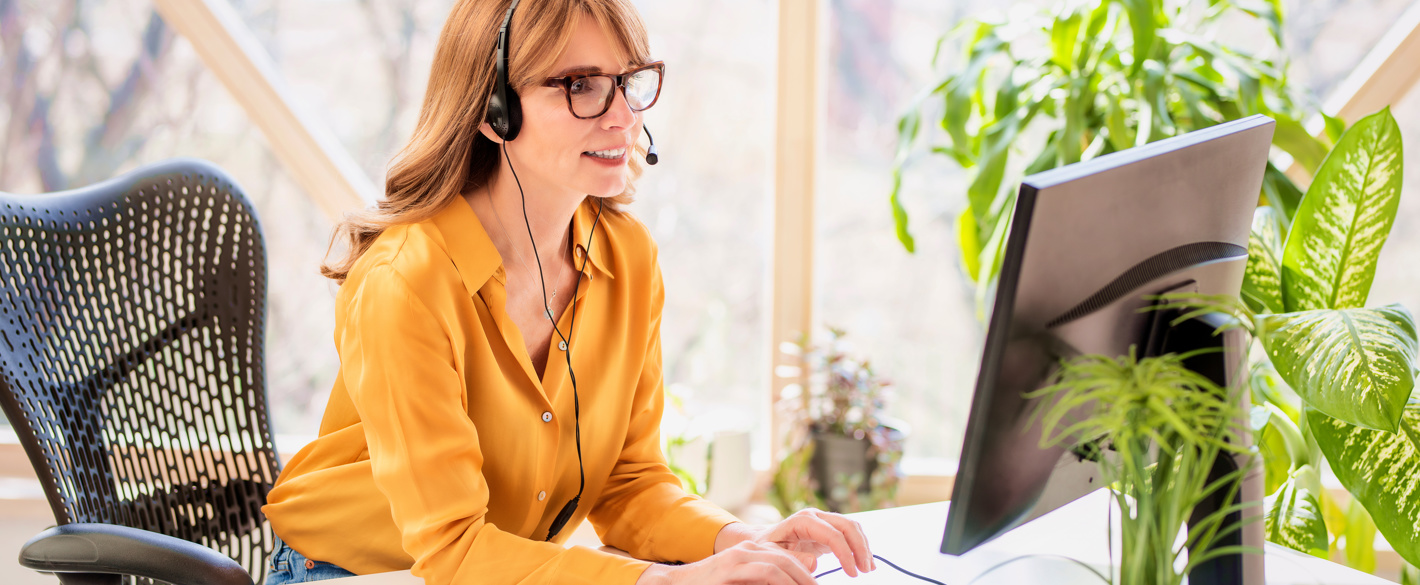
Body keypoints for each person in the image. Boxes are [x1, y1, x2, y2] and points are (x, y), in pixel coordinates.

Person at [261, 0, 877, 584]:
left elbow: (629, 484)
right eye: (579, 85)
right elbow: (452, 549)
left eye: (627, 82)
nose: (622, 116)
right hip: (351, 573)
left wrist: (743, 544)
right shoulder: (405, 283)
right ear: (493, 109)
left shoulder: (626, 258)